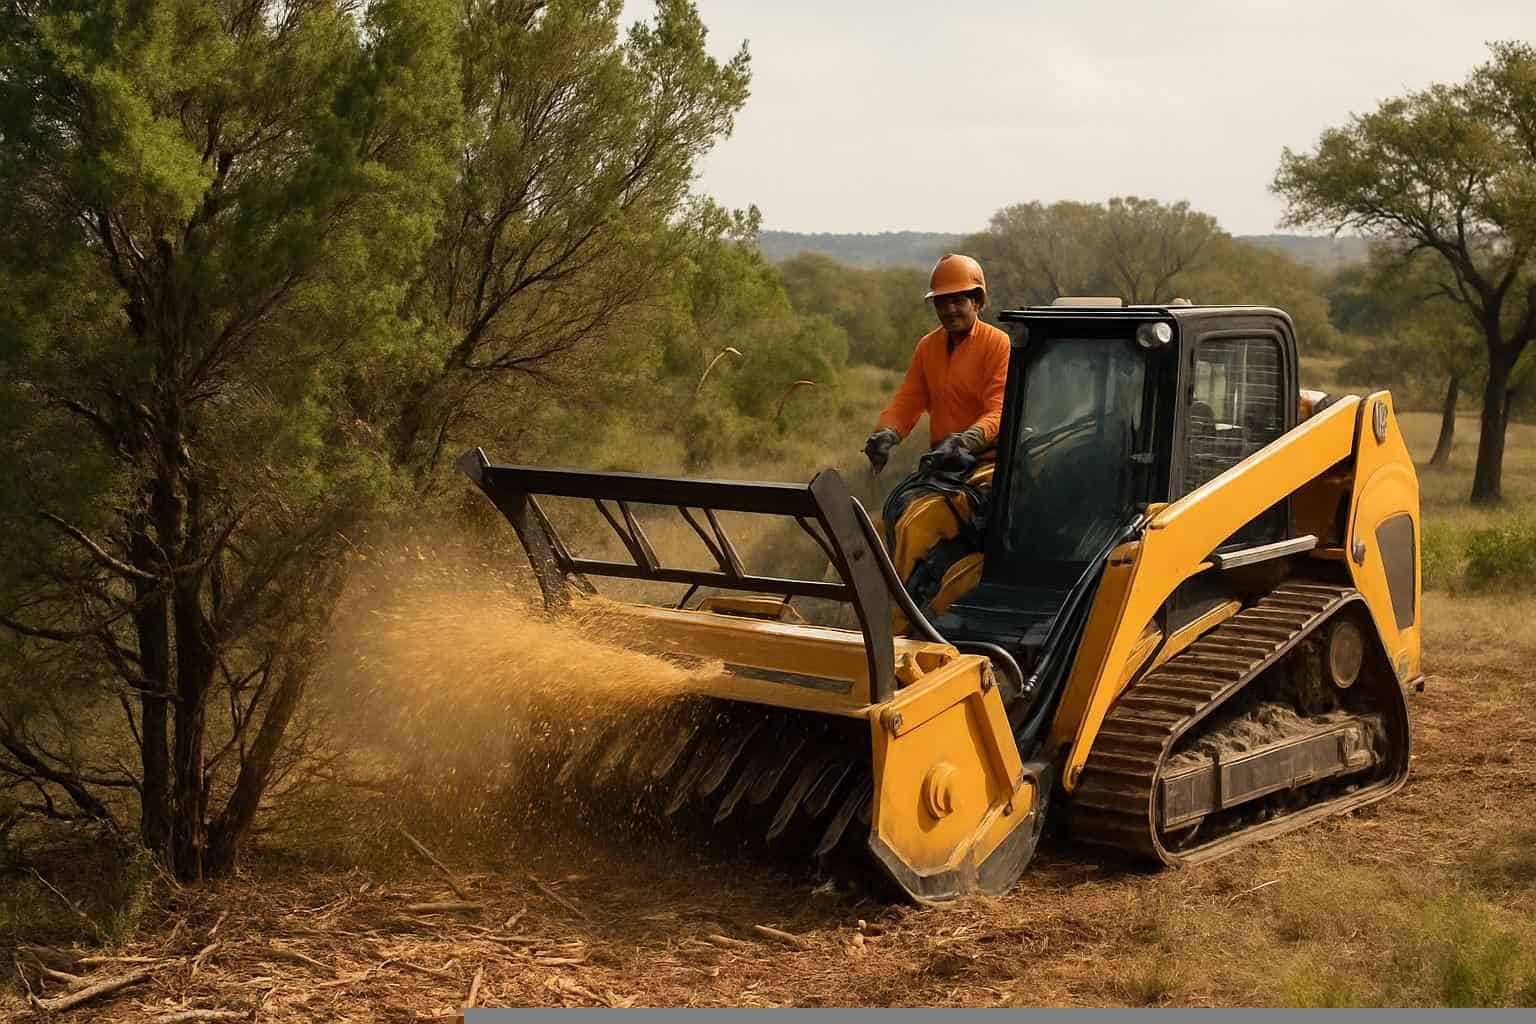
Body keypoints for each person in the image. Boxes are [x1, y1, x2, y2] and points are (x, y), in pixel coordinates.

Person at [863, 253, 1010, 474]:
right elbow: (908, 401)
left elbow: (1000, 409)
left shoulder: (998, 343)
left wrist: (964, 442)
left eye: (958, 301)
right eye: (942, 303)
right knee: (906, 506)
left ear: (977, 302)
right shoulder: (927, 346)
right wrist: (887, 433)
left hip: (988, 466)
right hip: (943, 464)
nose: (949, 310)